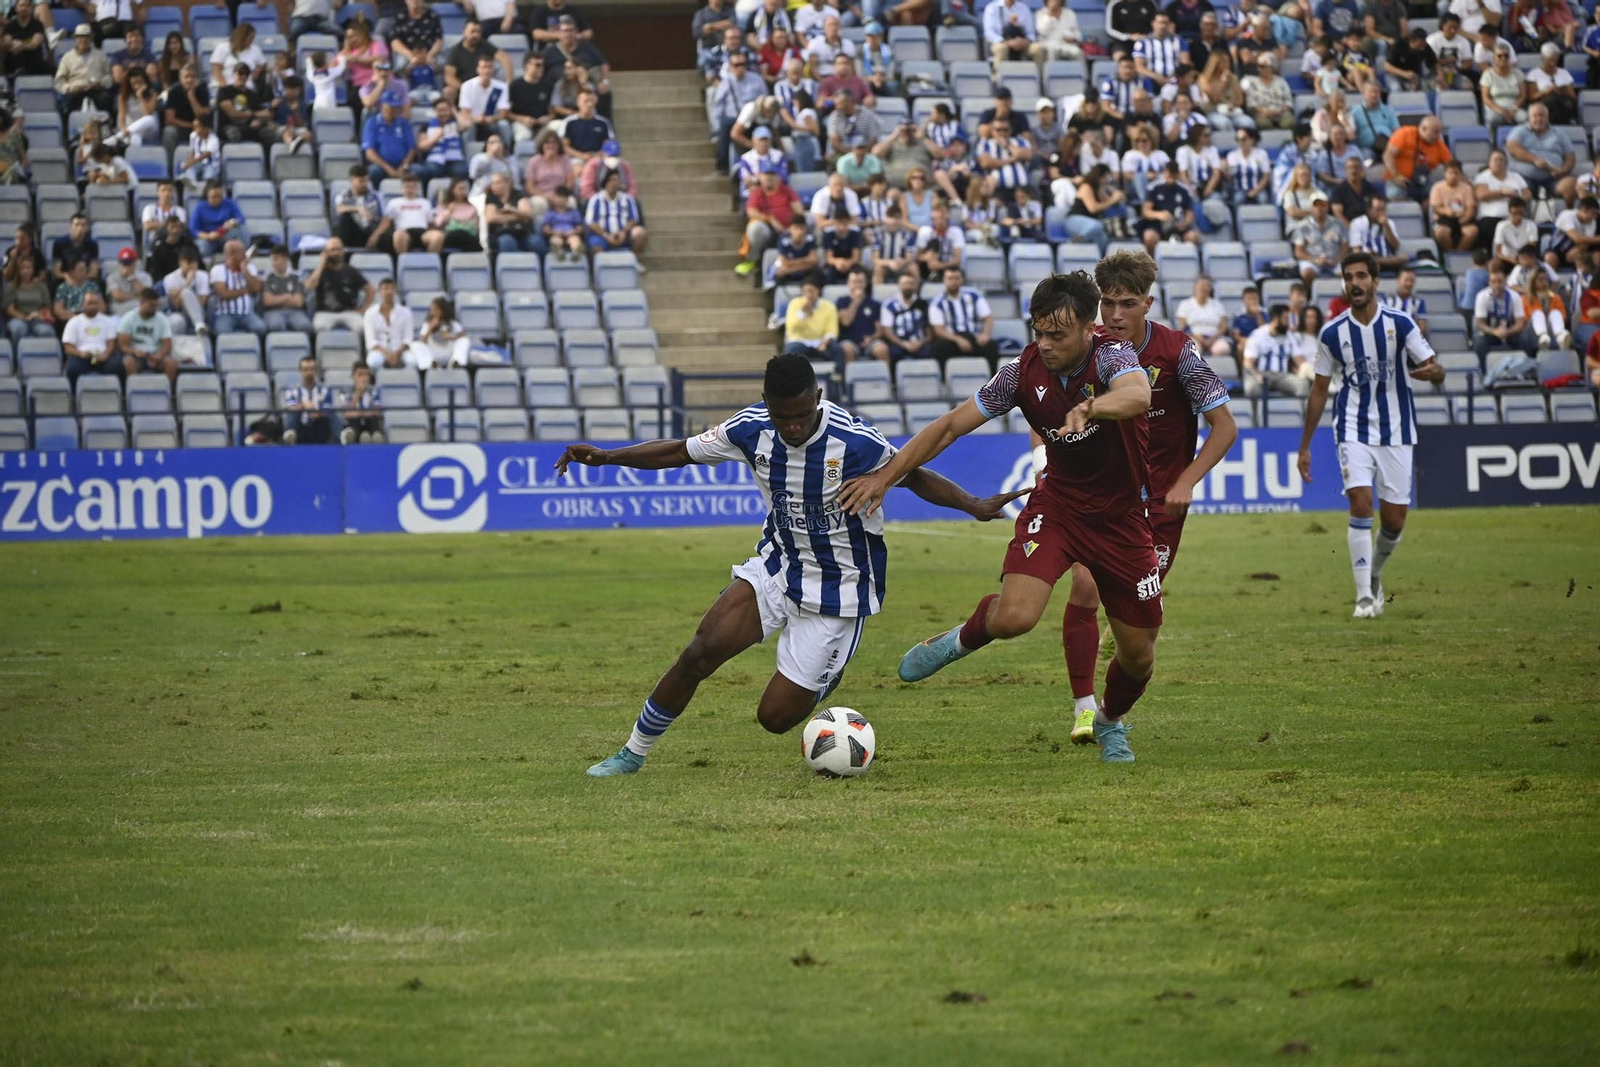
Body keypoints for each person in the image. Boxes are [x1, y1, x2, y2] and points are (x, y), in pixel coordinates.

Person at [564, 352, 1017, 777]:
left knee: (775, 718)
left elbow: (912, 474)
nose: (795, 427)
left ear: (817, 399)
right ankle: (631, 754)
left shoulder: (854, 440)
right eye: (784, 418)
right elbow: (679, 451)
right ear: (766, 405)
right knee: (699, 653)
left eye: (803, 415)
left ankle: (827, 672)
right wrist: (607, 457)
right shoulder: (749, 429)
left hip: (839, 592)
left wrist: (971, 503)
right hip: (776, 568)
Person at [842, 270, 1162, 762]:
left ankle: (1109, 722)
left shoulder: (1113, 354)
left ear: (1086, 328)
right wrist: (885, 478)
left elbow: (1138, 394)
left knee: (1138, 658)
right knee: (1014, 618)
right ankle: (959, 639)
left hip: (1122, 521)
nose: (1046, 344)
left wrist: (1094, 407)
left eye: (1057, 335)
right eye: (1039, 333)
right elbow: (949, 426)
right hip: (1059, 507)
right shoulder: (1020, 372)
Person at [1299, 252, 1443, 619]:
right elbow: (1319, 390)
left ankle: (1375, 574)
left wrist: (1435, 374)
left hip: (1397, 429)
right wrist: (1305, 446)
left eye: (1362, 276)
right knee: (1361, 504)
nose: (1355, 283)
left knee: (1394, 521)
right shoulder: (1333, 332)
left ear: (1376, 282)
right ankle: (1363, 596)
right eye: (1348, 277)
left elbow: (1433, 366)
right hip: (1352, 426)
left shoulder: (1401, 324)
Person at [1506, 103, 1578, 205]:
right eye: (1535, 116)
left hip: (1554, 178)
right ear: (1529, 118)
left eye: (1542, 115)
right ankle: (1523, 220)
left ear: (1547, 118)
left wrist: (1563, 170)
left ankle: (1568, 215)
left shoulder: (1559, 133)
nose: (1538, 119)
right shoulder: (1519, 131)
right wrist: (1534, 159)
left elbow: (1570, 156)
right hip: (1524, 178)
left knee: (1570, 184)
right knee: (1516, 187)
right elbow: (1513, 147)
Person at [927, 266, 997, 369]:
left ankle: (994, 381)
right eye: (950, 278)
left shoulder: (974, 295)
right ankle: (943, 380)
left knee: (990, 346)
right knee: (938, 347)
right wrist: (958, 340)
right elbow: (939, 330)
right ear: (944, 280)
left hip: (973, 336)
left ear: (962, 280)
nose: (953, 282)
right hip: (951, 338)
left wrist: (985, 334)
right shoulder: (937, 303)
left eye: (956, 278)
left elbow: (987, 318)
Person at [1243, 302, 1310, 397]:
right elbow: (1248, 363)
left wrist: (1302, 370)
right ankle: (1257, 412)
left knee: (1302, 384)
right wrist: (1257, 376)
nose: (1288, 323)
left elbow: (1300, 360)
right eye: (1285, 319)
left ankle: (1300, 411)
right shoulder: (1257, 335)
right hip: (1261, 374)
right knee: (1252, 388)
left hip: (1283, 376)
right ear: (1276, 319)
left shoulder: (1290, 336)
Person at [62, 288, 123, 388]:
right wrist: (81, 353)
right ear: (83, 304)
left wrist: (106, 355)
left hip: (103, 356)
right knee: (72, 369)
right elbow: (68, 347)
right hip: (82, 356)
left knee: (116, 367)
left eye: (95, 303)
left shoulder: (107, 321)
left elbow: (112, 342)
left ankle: (118, 397)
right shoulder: (74, 322)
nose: (93, 306)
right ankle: (73, 398)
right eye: (90, 303)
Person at [309, 238, 372, 335]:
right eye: (332, 250)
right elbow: (309, 285)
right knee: (319, 328)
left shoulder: (351, 271)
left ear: (343, 251)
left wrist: (363, 309)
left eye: (338, 249)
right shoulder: (320, 271)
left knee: (362, 327)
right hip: (325, 312)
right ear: (325, 253)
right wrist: (321, 264)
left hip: (349, 312)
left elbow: (370, 290)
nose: (336, 253)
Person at [1473, 262, 1535, 359]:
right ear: (1489, 283)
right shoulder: (1482, 296)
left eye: (1500, 281)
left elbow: (1520, 323)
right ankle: (1483, 370)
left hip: (1510, 331)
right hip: (1491, 332)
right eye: (1494, 282)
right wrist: (1494, 332)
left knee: (1524, 339)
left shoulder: (1514, 296)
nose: (1497, 285)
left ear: (1505, 282)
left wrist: (1507, 332)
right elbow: (1480, 323)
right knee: (1479, 341)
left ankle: (1526, 368)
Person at [1138, 162, 1201, 255]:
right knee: (1149, 237)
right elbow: (1146, 211)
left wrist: (1185, 223)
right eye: (1169, 173)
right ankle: (1153, 263)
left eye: (1174, 173)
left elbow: (1190, 213)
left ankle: (1185, 263)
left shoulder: (1183, 190)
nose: (1171, 176)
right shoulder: (1154, 188)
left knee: (1193, 237)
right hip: (1157, 225)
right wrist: (1159, 215)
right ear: (1164, 172)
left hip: (1178, 224)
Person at [116, 286, 176, 384]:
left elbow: (167, 344)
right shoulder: (128, 318)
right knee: (128, 362)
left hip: (155, 354)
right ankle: (135, 392)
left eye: (155, 306)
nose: (154, 309)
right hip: (136, 354)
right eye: (151, 306)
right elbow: (123, 345)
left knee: (171, 364)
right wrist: (135, 352)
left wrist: (158, 355)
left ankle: (166, 393)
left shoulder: (162, 319)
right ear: (142, 302)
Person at [207, 240, 267, 337]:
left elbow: (256, 288)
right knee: (222, 331)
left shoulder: (250, 267)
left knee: (261, 328)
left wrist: (244, 270)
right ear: (232, 254)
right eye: (242, 251)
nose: (245, 253)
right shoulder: (218, 269)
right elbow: (225, 294)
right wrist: (246, 290)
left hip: (247, 313)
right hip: (225, 313)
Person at [782, 270, 842, 365]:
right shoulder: (794, 304)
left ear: (818, 291)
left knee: (837, 350)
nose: (809, 295)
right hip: (800, 341)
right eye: (806, 292)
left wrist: (825, 343)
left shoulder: (829, 306)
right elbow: (792, 328)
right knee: (792, 351)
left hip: (820, 341)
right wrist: (802, 312)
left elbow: (832, 330)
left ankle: (837, 378)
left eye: (811, 291)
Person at [56, 25, 115, 116]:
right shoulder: (67, 57)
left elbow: (109, 76)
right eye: (80, 37)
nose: (83, 40)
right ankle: (67, 128)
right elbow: (59, 81)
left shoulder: (100, 55)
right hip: (75, 91)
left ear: (91, 38)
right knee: (69, 101)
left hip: (96, 90)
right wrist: (70, 88)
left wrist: (100, 84)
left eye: (86, 37)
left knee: (106, 99)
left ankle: (108, 126)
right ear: (75, 39)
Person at [459, 55, 512, 147]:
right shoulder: (466, 86)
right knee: (468, 126)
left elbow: (503, 114)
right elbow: (464, 112)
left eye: (489, 67)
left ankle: (507, 151)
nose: (487, 71)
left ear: (493, 69)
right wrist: (476, 119)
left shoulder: (502, 87)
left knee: (504, 125)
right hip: (474, 121)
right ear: (478, 70)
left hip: (493, 121)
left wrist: (492, 119)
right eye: (484, 67)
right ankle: (466, 154)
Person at [281, 355, 335, 445]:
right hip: (299, 427)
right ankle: (289, 437)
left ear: (316, 371)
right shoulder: (292, 389)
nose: (309, 372)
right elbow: (291, 407)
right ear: (300, 371)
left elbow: (327, 410)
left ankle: (342, 439)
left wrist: (316, 412)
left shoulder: (325, 389)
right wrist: (303, 405)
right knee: (292, 413)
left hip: (319, 426)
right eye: (305, 369)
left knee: (332, 414)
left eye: (311, 369)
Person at [362, 277, 415, 369]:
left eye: (392, 289)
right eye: (385, 288)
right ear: (379, 292)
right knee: (373, 362)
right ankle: (380, 382)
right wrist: (387, 354)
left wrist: (397, 353)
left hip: (400, 350)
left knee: (412, 362)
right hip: (379, 351)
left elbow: (408, 339)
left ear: (395, 292)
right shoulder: (370, 313)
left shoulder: (406, 312)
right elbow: (371, 341)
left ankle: (406, 382)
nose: (389, 292)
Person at [407, 296, 471, 369]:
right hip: (433, 352)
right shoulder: (427, 323)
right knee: (415, 344)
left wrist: (452, 337)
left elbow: (463, 336)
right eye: (432, 310)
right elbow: (422, 341)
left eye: (436, 310)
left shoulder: (452, 323)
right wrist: (430, 328)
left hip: (448, 351)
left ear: (443, 310)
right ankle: (430, 366)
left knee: (465, 341)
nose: (434, 312)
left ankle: (456, 363)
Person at [262, 245, 313, 334]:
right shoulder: (268, 277)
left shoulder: (296, 277)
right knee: (276, 325)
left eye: (276, 259)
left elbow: (298, 302)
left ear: (285, 259)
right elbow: (268, 301)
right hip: (273, 312)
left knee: (305, 326)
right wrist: (287, 296)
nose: (273, 263)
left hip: (294, 311)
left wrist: (277, 299)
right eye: (272, 259)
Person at [160, 245, 210, 337]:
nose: (191, 266)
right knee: (185, 292)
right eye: (188, 262)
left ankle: (199, 325)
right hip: (180, 312)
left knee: (186, 293)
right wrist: (187, 282)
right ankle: (199, 325)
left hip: (200, 312)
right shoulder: (170, 278)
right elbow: (176, 304)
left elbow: (202, 302)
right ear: (180, 262)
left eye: (194, 263)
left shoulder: (203, 276)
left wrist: (180, 294)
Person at [1348, 198, 1407, 273]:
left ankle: (1377, 261)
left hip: (1388, 260)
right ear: (1369, 210)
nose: (1381, 213)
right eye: (1377, 210)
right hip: (1366, 260)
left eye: (1383, 210)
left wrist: (1386, 226)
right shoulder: (1357, 223)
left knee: (1404, 258)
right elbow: (1356, 250)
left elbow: (1396, 246)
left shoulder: (1389, 223)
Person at [415, 97, 468, 181]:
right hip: (435, 159)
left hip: (454, 159)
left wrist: (454, 111)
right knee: (432, 170)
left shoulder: (455, 124)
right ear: (435, 111)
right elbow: (421, 146)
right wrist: (435, 137)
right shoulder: (427, 126)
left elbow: (466, 125)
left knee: (461, 171)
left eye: (445, 110)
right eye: (440, 110)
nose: (443, 113)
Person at [4, 256, 55, 343]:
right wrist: (26, 317)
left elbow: (47, 307)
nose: (26, 271)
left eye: (28, 268)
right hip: (18, 319)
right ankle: (16, 355)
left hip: (37, 318)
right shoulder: (12, 287)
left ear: (33, 270)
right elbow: (10, 310)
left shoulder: (41, 287)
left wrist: (38, 314)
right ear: (19, 270)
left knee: (47, 332)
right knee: (18, 330)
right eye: (23, 268)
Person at [1176, 275, 1231, 355]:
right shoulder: (1185, 304)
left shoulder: (1217, 304)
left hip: (1214, 337)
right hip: (1193, 337)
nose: (1205, 288)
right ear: (1195, 287)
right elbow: (1183, 326)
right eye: (1202, 285)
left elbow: (1223, 326)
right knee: (1193, 349)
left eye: (1208, 286)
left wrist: (1214, 338)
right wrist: (1199, 338)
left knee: (1222, 349)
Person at [509, 53, 554, 145]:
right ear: (527, 66)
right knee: (523, 135)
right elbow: (506, 113)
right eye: (537, 65)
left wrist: (547, 118)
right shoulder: (515, 85)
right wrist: (522, 119)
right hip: (522, 123)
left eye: (542, 65)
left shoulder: (547, 85)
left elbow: (553, 111)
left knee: (558, 125)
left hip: (542, 124)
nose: (541, 68)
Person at [391, 0, 445, 76]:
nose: (415, 1)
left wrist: (430, 55)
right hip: (407, 51)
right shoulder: (399, 16)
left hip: (430, 51)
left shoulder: (432, 15)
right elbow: (395, 42)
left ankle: (438, 87)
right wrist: (410, 55)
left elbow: (439, 40)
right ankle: (404, 87)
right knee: (400, 66)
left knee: (442, 64)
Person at [1379, 268, 1428, 334]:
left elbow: (1422, 326)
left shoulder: (1418, 300)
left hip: (1412, 339)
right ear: (1398, 280)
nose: (1409, 284)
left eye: (1412, 281)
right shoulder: (1386, 299)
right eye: (1406, 280)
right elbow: (1380, 322)